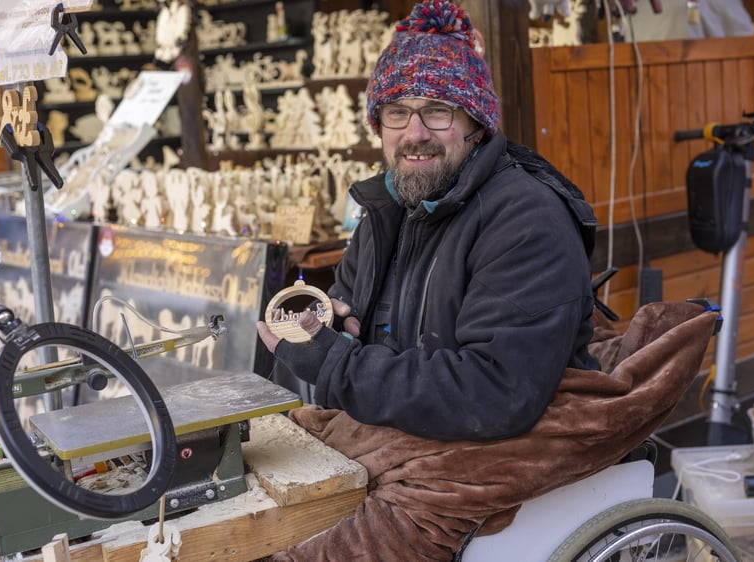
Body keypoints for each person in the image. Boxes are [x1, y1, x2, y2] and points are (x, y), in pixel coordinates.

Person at [257, 0, 599, 443]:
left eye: (438, 110)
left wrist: (338, 366)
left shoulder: (527, 220)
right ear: (378, 126)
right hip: (412, 440)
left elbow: (496, 393)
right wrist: (337, 331)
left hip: (511, 458)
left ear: (477, 124)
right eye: (396, 111)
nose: (414, 134)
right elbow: (356, 319)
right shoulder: (385, 211)